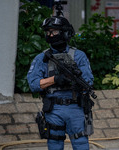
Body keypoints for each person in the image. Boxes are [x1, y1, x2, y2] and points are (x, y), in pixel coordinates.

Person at [27, 15, 94, 150]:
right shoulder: (42, 58)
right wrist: (55, 80)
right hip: (54, 108)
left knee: (80, 143)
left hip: (75, 106)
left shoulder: (78, 55)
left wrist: (73, 81)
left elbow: (88, 81)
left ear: (65, 32)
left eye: (54, 31)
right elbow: (33, 84)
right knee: (54, 143)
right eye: (48, 32)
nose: (51, 35)